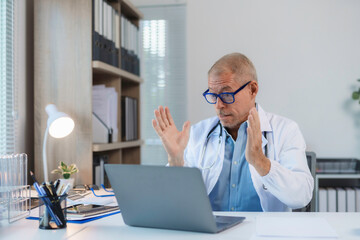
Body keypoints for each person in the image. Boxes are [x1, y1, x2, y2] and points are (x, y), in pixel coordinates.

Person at [152, 53, 314, 212]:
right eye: (213, 95)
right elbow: (176, 203)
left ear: (252, 89)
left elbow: (302, 196)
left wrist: (260, 161)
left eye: (226, 94)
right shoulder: (197, 134)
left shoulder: (285, 130)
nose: (218, 105)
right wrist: (176, 161)